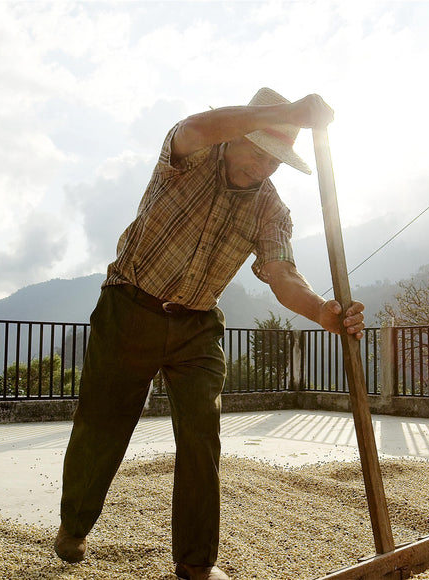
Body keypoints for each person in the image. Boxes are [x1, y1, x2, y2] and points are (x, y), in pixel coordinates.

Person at [54, 87, 365, 580]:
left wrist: (323, 312)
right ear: (239, 134)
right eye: (258, 151)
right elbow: (196, 126)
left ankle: (197, 563)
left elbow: (282, 274)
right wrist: (291, 114)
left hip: (197, 324)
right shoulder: (195, 154)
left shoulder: (270, 209)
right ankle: (73, 527)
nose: (264, 167)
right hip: (129, 304)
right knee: (103, 424)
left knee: (202, 436)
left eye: (276, 162)